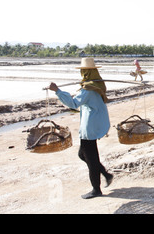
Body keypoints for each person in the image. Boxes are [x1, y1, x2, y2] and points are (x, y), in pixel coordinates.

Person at [48, 57, 113, 199]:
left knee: (90, 157)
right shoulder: (96, 85)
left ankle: (96, 189)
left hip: (90, 126)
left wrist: (57, 91)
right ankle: (106, 174)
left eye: (83, 71)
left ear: (86, 72)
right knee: (83, 154)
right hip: (95, 122)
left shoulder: (88, 89)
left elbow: (73, 103)